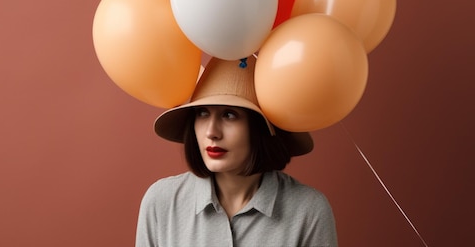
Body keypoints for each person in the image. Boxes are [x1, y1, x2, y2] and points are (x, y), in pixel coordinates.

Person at [135, 55, 338, 247]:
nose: (211, 132)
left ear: (259, 128)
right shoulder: (161, 202)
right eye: (203, 113)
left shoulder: (308, 211)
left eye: (229, 115)